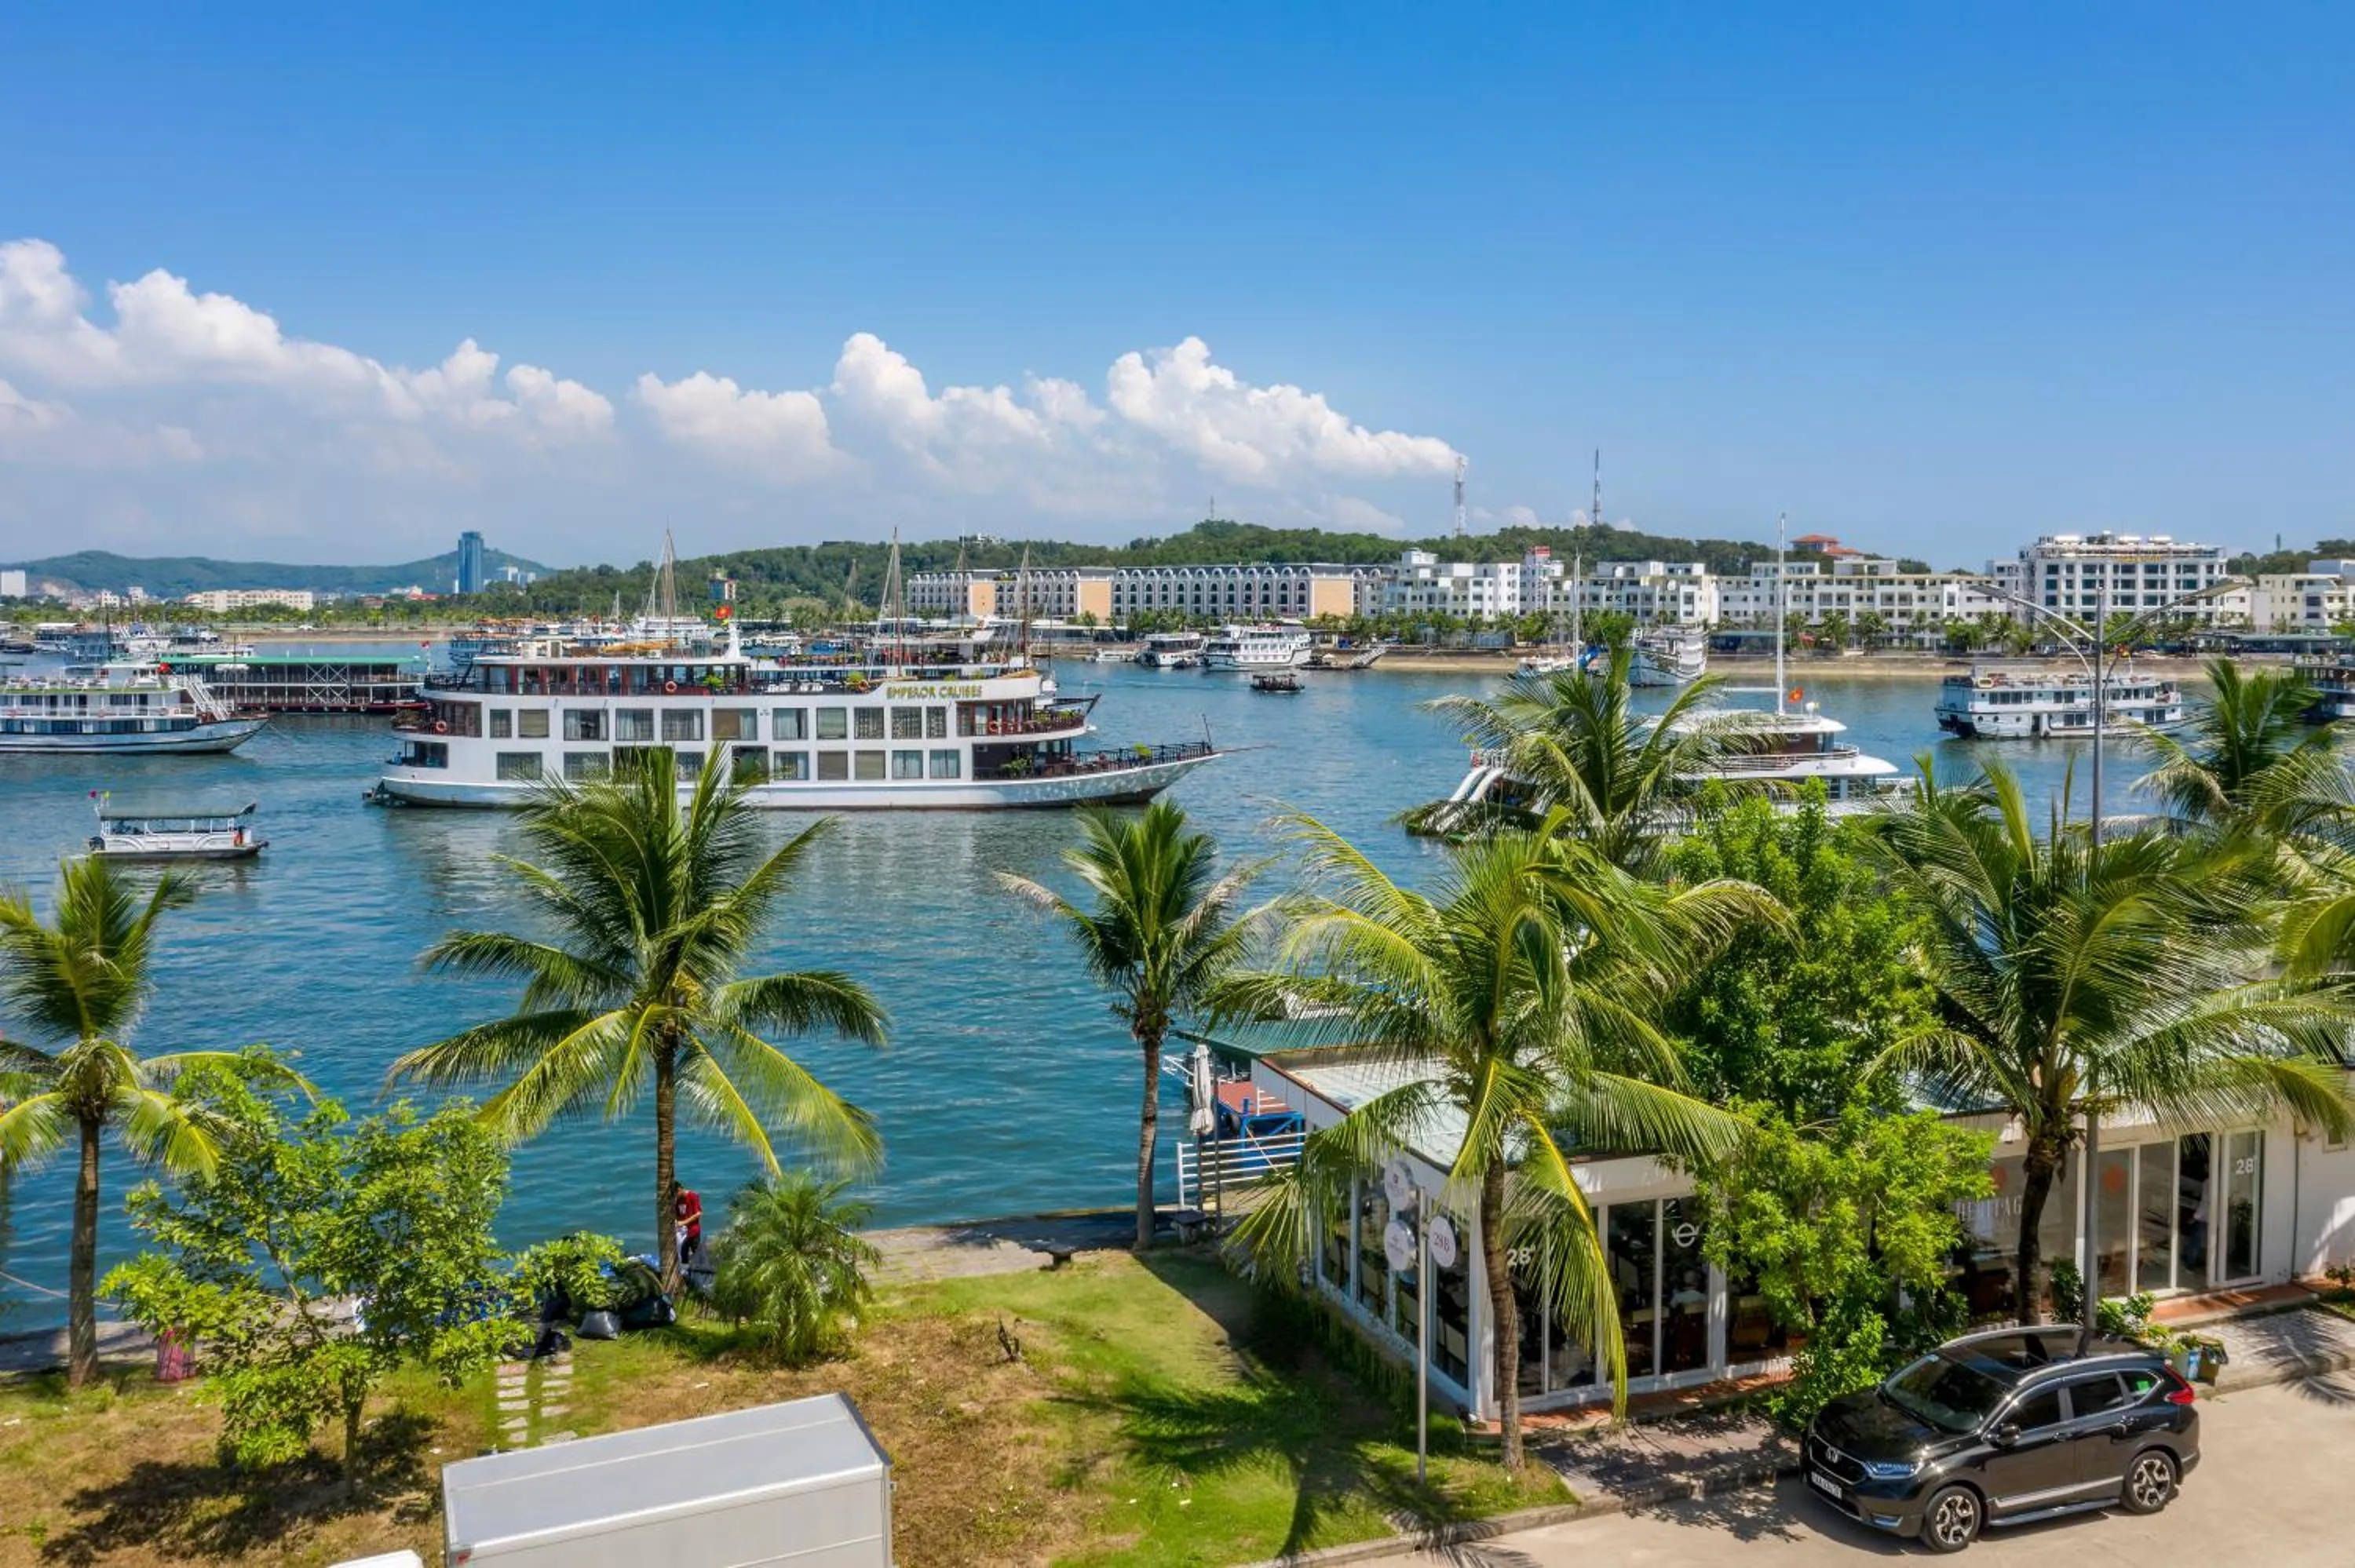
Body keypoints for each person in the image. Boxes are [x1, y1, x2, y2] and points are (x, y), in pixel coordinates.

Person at [673, 1180, 704, 1267]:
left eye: (676, 1194)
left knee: (696, 1253)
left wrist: (684, 1222)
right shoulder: (678, 1200)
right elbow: (678, 1215)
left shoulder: (692, 1196)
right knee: (683, 1253)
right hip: (683, 1232)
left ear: (679, 1190)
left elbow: (698, 1214)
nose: (675, 1197)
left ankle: (701, 1270)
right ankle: (685, 1271)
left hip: (693, 1231)